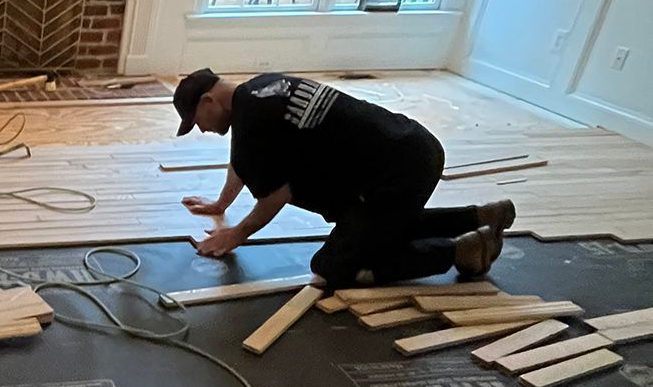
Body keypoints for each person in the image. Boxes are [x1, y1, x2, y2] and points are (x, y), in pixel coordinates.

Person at [171, 67, 516, 288]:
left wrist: (234, 236)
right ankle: (480, 216)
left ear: (208, 101)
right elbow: (244, 159)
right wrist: (221, 203)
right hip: (415, 147)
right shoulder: (263, 88)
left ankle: (462, 251)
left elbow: (276, 195)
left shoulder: (252, 124)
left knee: (333, 267)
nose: (200, 128)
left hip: (393, 175)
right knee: (378, 226)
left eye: (195, 120)